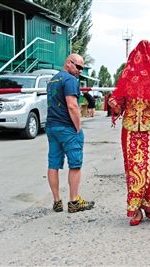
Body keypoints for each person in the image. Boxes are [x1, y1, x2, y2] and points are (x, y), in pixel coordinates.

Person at [108, 40, 150, 226]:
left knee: (149, 169)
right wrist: (114, 105)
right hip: (129, 130)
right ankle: (135, 209)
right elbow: (118, 107)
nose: (141, 61)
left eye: (145, 58)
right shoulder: (126, 79)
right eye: (138, 58)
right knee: (132, 170)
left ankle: (147, 204)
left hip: (149, 129)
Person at [46, 54, 95, 213]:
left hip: (51, 127)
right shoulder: (70, 80)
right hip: (67, 128)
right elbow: (72, 106)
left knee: (53, 164)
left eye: (82, 67)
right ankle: (74, 202)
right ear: (68, 63)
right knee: (75, 164)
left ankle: (56, 201)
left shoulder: (53, 80)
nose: (80, 71)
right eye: (78, 67)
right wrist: (78, 127)